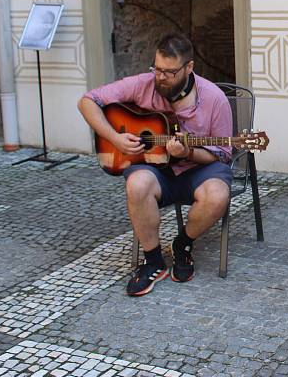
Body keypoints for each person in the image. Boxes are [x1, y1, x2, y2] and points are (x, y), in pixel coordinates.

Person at [78, 33, 233, 296]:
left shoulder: (215, 99)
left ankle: (182, 245)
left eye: (168, 72)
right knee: (137, 184)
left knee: (218, 196)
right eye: (157, 69)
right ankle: (153, 262)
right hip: (154, 166)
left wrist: (188, 152)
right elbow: (88, 101)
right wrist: (115, 138)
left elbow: (221, 155)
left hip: (199, 169)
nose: (159, 77)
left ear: (189, 68)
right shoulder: (144, 84)